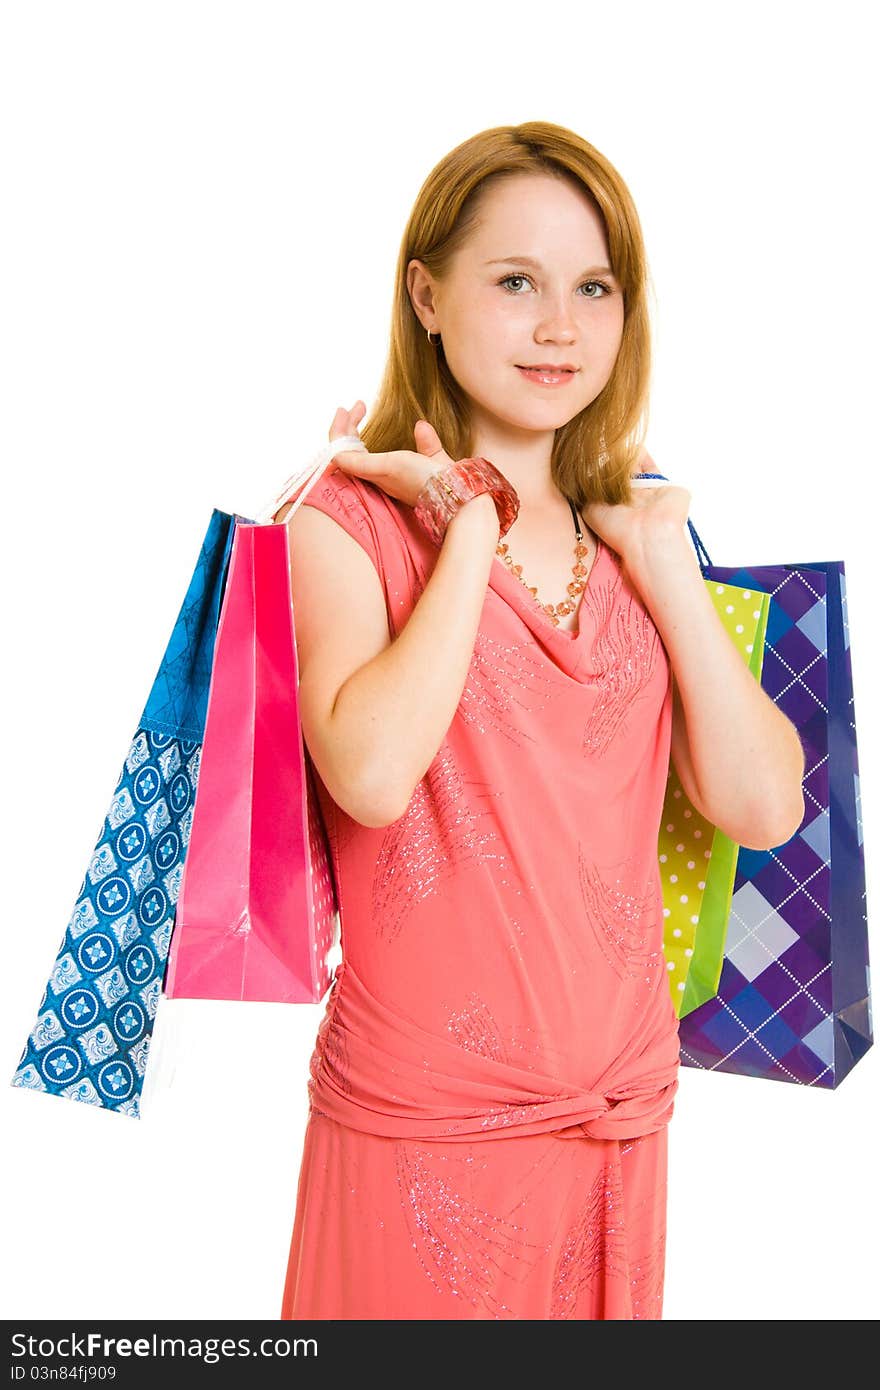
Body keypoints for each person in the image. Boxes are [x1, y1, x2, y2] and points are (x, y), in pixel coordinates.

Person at [272, 120, 806, 1320]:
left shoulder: (639, 539)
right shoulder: (342, 523)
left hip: (618, 1117)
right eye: (515, 282)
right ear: (427, 293)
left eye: (593, 287)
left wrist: (666, 567)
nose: (559, 325)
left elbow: (764, 805)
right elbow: (369, 772)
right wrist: (467, 524)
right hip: (425, 1126)